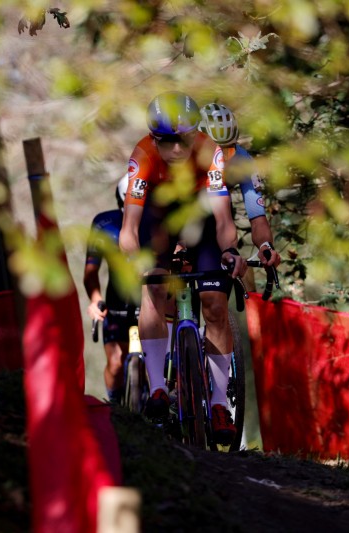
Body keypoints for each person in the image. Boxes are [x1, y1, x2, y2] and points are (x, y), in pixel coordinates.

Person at [119, 91, 247, 445]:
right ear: (154, 138)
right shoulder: (143, 154)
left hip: (200, 217)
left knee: (215, 302)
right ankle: (159, 387)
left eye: (185, 140)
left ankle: (220, 403)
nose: (177, 150)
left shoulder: (211, 152)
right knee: (154, 287)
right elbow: (130, 226)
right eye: (168, 142)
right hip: (158, 219)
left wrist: (231, 251)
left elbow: (223, 217)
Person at [198, 102, 281, 269]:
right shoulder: (183, 158)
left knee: (214, 293)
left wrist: (266, 246)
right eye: (215, 150)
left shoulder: (242, 161)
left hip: (215, 219)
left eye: (228, 150)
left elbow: (257, 217)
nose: (222, 158)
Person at [84, 174, 137, 404]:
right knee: (116, 363)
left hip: (152, 302)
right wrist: (95, 299)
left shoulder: (156, 222)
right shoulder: (103, 224)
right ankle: (115, 408)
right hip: (117, 304)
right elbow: (90, 272)